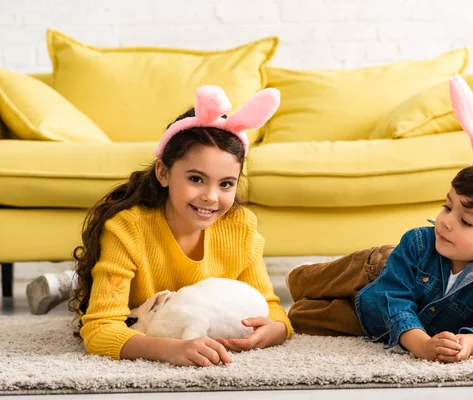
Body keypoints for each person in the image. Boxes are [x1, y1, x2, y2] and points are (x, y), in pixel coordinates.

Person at [27, 86, 292, 367]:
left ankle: (67, 281)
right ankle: (71, 282)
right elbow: (100, 328)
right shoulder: (127, 228)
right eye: (196, 179)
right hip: (138, 302)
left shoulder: (241, 226)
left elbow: (271, 307)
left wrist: (275, 329)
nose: (211, 197)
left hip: (180, 300)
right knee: (87, 296)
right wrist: (168, 349)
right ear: (163, 173)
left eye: (226, 183)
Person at [286, 75, 473, 363]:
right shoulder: (418, 243)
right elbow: (393, 296)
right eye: (448, 207)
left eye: (466, 222)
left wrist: (472, 341)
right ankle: (304, 277)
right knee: (306, 282)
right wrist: (421, 345)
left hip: (374, 317)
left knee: (299, 318)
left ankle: (311, 304)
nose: (446, 222)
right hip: (380, 270)